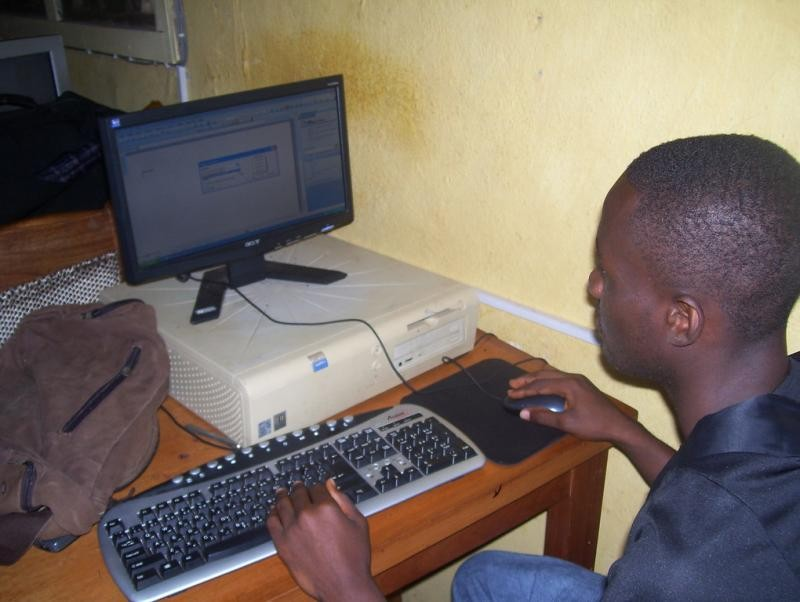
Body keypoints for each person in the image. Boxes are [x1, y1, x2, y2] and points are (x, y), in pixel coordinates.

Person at [266, 134, 800, 601]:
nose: (593, 286)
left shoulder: (683, 575)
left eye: (609, 274)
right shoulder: (780, 398)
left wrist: (348, 586)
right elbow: (734, 496)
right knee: (483, 578)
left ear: (681, 321)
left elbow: (707, 542)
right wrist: (626, 431)